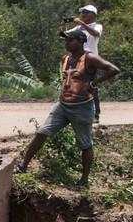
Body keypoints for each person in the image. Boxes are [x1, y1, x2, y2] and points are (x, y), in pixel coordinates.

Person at [18, 28, 120, 189]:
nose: (66, 43)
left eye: (70, 40)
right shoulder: (66, 58)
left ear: (80, 41)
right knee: (42, 132)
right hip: (63, 105)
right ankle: (23, 166)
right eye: (65, 40)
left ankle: (84, 180)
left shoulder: (90, 58)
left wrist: (93, 84)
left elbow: (113, 69)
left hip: (82, 107)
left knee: (85, 144)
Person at [63, 3, 104, 122]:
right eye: (82, 13)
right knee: (73, 84)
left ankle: (96, 114)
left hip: (91, 59)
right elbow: (64, 36)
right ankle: (74, 112)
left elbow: (95, 34)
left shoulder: (97, 26)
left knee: (91, 86)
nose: (83, 15)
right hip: (78, 58)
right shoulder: (79, 28)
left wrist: (81, 23)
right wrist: (63, 26)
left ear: (93, 15)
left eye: (86, 12)